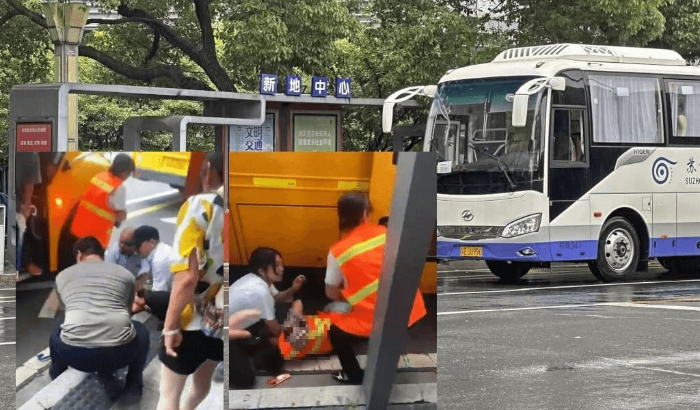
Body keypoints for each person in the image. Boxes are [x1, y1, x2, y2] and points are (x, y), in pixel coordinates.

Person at [325, 192, 427, 384]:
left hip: (377, 320)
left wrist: (346, 300)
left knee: (337, 333)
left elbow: (330, 293)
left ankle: (354, 376)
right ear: (365, 214)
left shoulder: (338, 251)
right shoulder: (387, 233)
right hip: (410, 312)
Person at [156, 152, 225, 410]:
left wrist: (170, 327)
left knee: (168, 395)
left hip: (192, 320)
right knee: (202, 380)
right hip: (221, 322)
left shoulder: (201, 205)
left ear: (209, 171)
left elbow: (186, 278)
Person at [49, 236, 149, 403]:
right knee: (142, 332)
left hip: (74, 356)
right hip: (119, 355)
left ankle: (57, 373)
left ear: (79, 255)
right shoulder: (126, 275)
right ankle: (133, 387)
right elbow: (127, 311)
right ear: (102, 255)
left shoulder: (62, 276)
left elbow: (64, 309)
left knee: (57, 331)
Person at [228, 247, 287, 388]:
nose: (282, 268)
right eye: (277, 265)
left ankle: (253, 344)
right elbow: (275, 329)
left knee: (284, 313)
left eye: (281, 264)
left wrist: (294, 289)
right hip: (223, 334)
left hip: (240, 324)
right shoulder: (259, 290)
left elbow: (278, 298)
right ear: (262, 270)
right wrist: (290, 336)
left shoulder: (259, 279)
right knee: (245, 381)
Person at [68, 153, 135, 250]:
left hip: (80, 228)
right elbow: (120, 215)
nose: (128, 176)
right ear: (124, 172)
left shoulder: (100, 176)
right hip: (95, 237)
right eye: (129, 173)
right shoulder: (118, 188)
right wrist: (122, 215)